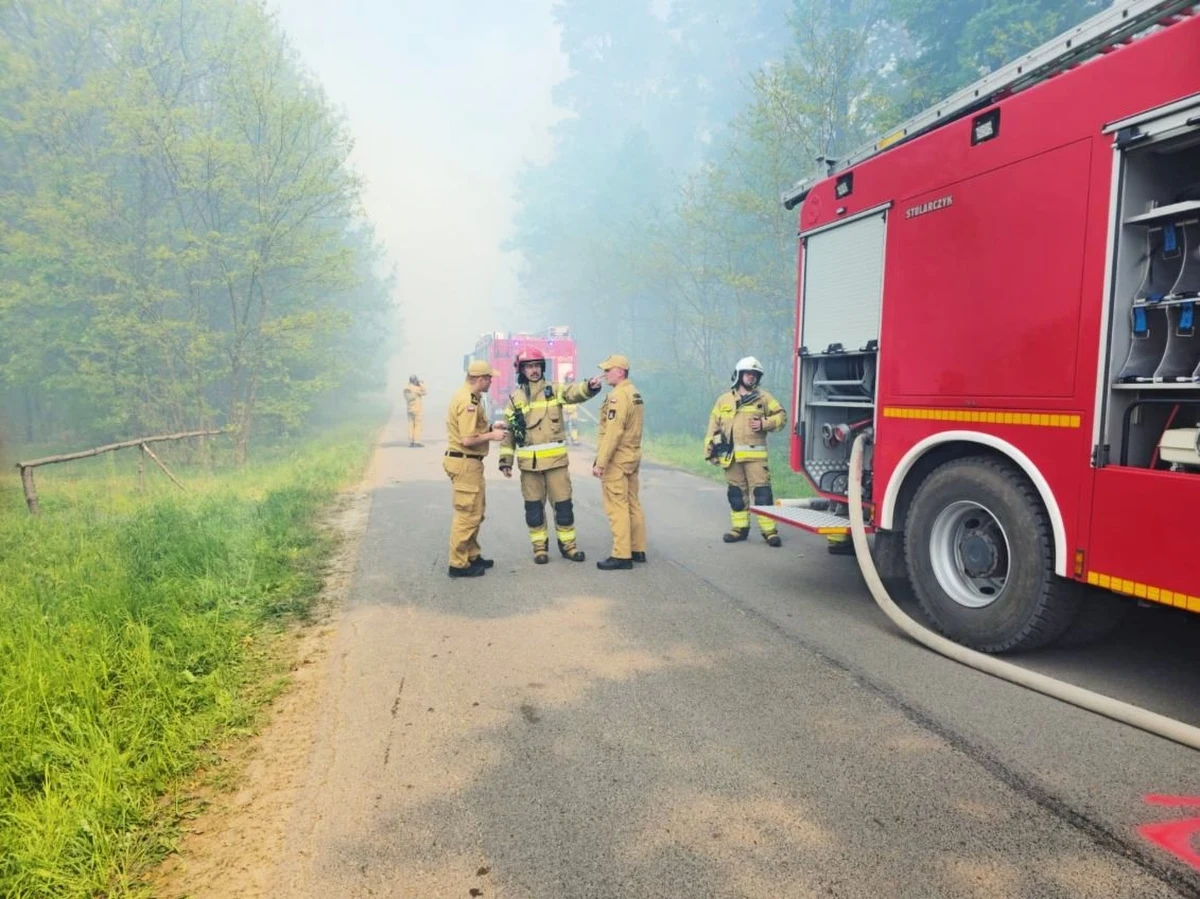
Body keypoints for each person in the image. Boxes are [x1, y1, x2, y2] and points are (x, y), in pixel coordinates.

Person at [498, 350, 602, 564]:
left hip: (556, 464)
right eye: (529, 366)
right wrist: (506, 461)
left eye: (537, 365)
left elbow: (574, 392)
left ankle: (569, 547)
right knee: (534, 509)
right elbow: (508, 432)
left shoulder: (554, 390)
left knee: (563, 507)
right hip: (529, 466)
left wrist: (589, 387)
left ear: (542, 368)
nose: (534, 370)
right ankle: (539, 549)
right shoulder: (514, 399)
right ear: (521, 370)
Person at [705, 356, 787, 547]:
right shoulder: (724, 400)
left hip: (755, 458)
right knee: (735, 494)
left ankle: (769, 532)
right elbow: (713, 426)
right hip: (731, 457)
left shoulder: (763, 398)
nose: (752, 377)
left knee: (762, 494)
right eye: (748, 373)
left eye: (755, 374)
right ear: (739, 374)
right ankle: (739, 529)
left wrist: (765, 423)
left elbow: (781, 416)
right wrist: (710, 450)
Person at [444, 361, 506, 578]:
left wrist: (490, 428)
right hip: (465, 463)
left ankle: (472, 554)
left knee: (476, 512)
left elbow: (472, 429)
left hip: (469, 463)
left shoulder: (471, 397)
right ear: (480, 379)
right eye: (489, 378)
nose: (491, 382)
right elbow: (467, 439)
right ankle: (458, 564)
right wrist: (492, 436)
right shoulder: (467, 401)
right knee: (467, 514)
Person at [592, 354, 646, 570]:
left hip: (617, 458)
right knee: (633, 502)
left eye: (608, 370)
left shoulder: (618, 396)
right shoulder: (634, 393)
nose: (605, 374)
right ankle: (637, 548)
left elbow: (613, 433)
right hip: (632, 455)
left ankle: (622, 555)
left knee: (617, 506)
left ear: (620, 372)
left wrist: (600, 463)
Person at [403, 374, 427, 447]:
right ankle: (417, 441)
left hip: (409, 409)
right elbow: (425, 392)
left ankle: (411, 441)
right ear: (415, 381)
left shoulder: (406, 388)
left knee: (410, 425)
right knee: (418, 425)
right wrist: (421, 384)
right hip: (417, 409)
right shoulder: (416, 388)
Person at [562, 372, 582, 446]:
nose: (570, 380)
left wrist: (579, 402)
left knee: (574, 425)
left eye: (571, 379)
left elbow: (578, 395)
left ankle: (574, 439)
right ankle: (566, 439)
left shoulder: (575, 386)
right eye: (569, 378)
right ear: (566, 378)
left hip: (574, 409)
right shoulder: (562, 387)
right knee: (565, 426)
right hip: (564, 409)